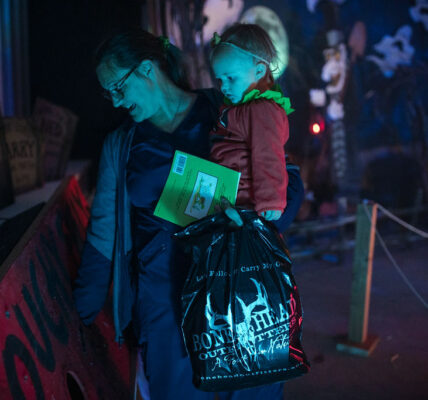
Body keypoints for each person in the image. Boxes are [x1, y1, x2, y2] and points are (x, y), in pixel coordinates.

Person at [73, 28, 303, 400]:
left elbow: (283, 176)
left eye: (118, 86)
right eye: (108, 92)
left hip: (239, 289)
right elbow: (103, 234)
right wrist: (76, 318)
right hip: (164, 301)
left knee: (252, 388)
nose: (115, 101)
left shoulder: (226, 108)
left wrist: (259, 224)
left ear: (147, 69)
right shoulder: (122, 144)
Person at [209, 24, 293, 223]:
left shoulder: (262, 110)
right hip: (230, 195)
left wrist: (271, 201)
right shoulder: (241, 107)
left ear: (259, 71)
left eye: (231, 78)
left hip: (247, 202)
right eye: (220, 80)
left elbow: (268, 154)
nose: (224, 87)